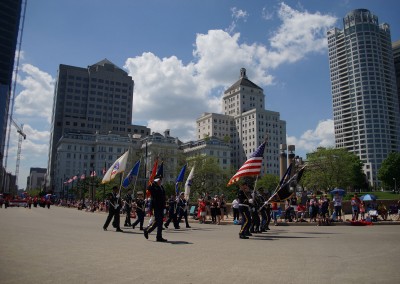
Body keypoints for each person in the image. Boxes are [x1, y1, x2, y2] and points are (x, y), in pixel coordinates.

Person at [143, 175, 167, 242]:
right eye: (159, 180)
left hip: (161, 206)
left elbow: (163, 197)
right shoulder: (153, 186)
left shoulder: (161, 187)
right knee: (158, 221)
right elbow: (148, 189)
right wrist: (153, 182)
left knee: (158, 222)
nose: (160, 181)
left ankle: (148, 231)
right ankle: (157, 236)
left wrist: (164, 206)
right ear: (156, 180)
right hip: (156, 206)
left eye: (160, 180)